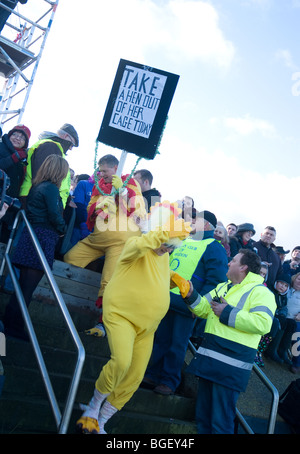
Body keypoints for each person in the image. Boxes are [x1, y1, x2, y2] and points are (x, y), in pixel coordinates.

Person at [75, 202, 192, 434]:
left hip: (147, 327)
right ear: (157, 232)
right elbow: (141, 248)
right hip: (121, 315)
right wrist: (164, 233)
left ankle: (102, 421)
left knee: (135, 376)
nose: (167, 249)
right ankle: (93, 406)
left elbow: (158, 270)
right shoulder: (134, 243)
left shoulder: (163, 254)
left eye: (171, 247)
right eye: (166, 244)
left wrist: (175, 278)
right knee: (121, 362)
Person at [180, 249, 276, 434]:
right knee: (203, 419)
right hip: (210, 363)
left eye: (233, 260)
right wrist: (190, 294)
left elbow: (263, 324)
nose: (228, 263)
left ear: (243, 267)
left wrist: (226, 312)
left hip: (229, 370)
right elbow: (202, 310)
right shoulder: (223, 286)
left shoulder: (262, 292)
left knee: (220, 424)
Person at [143, 210, 228, 396]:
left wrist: (198, 306)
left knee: (177, 345)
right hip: (165, 298)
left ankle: (169, 381)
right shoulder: (183, 240)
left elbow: (216, 282)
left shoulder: (214, 247)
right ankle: (152, 374)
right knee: (160, 340)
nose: (191, 221)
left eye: (196, 220)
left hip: (186, 306)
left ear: (206, 226)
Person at [64, 154, 146, 337]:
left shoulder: (130, 182)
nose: (101, 174)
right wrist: (101, 208)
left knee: (108, 283)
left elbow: (138, 212)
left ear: (116, 168)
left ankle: (102, 325)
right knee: (70, 258)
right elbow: (90, 210)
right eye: (99, 171)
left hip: (120, 242)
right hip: (96, 239)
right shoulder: (98, 186)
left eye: (105, 171)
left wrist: (122, 194)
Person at [2, 155, 68, 341]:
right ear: (59, 171)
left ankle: (11, 323)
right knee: (27, 289)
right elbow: (55, 215)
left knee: (22, 287)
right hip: (42, 239)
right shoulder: (51, 189)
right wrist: (62, 230)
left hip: (32, 237)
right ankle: (13, 328)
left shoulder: (37, 186)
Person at [19, 123, 79, 208]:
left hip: (41, 200)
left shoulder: (55, 148)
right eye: (72, 144)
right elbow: (43, 177)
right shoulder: (50, 147)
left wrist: (67, 199)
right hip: (36, 201)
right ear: (66, 136)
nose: (70, 148)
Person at [0, 124, 31, 242]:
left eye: (22, 138)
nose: (18, 138)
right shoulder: (1, 146)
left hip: (10, 203)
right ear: (9, 135)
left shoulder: (24, 159)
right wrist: (14, 157)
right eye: (15, 134)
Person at [265, 273, 292, 365]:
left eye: (285, 286)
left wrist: (282, 315)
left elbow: (284, 308)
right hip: (268, 314)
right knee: (276, 322)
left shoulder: (283, 297)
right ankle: (266, 348)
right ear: (276, 282)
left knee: (288, 322)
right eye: (281, 283)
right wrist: (277, 314)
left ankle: (276, 349)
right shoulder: (270, 291)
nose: (282, 287)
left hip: (277, 316)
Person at [253, 226, 282, 290]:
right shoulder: (252, 247)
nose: (268, 236)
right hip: (251, 287)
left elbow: (279, 274)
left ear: (274, 239)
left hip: (268, 291)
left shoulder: (277, 257)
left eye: (271, 235)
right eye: (266, 233)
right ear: (261, 235)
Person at [69, 174, 94, 247]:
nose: (102, 174)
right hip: (80, 227)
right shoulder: (84, 183)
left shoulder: (113, 189)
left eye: (104, 171)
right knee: (71, 254)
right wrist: (83, 225)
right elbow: (78, 205)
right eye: (101, 171)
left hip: (99, 230)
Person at [286, 272, 300, 374]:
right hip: (283, 317)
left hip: (295, 320)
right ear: (295, 278)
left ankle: (296, 363)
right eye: (299, 279)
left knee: (297, 339)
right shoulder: (286, 287)